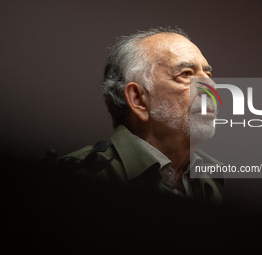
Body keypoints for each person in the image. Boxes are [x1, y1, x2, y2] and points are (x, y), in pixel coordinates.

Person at [59, 27, 223, 205]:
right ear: (138, 99)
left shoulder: (210, 184)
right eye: (186, 74)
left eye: (208, 74)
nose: (210, 85)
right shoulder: (82, 177)